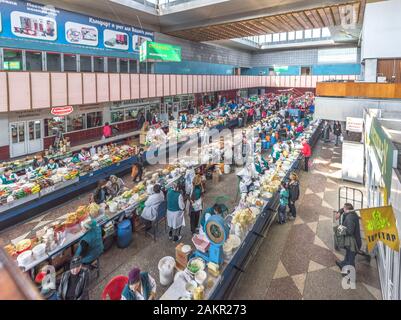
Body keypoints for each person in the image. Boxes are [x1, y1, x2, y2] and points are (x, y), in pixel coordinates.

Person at [335, 203, 362, 273]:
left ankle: (350, 274)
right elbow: (343, 209)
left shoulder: (349, 218)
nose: (343, 209)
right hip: (351, 241)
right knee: (348, 255)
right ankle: (343, 264)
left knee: (350, 260)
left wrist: (340, 229)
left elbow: (350, 231)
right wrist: (339, 212)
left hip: (353, 243)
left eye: (344, 209)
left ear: (347, 210)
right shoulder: (352, 213)